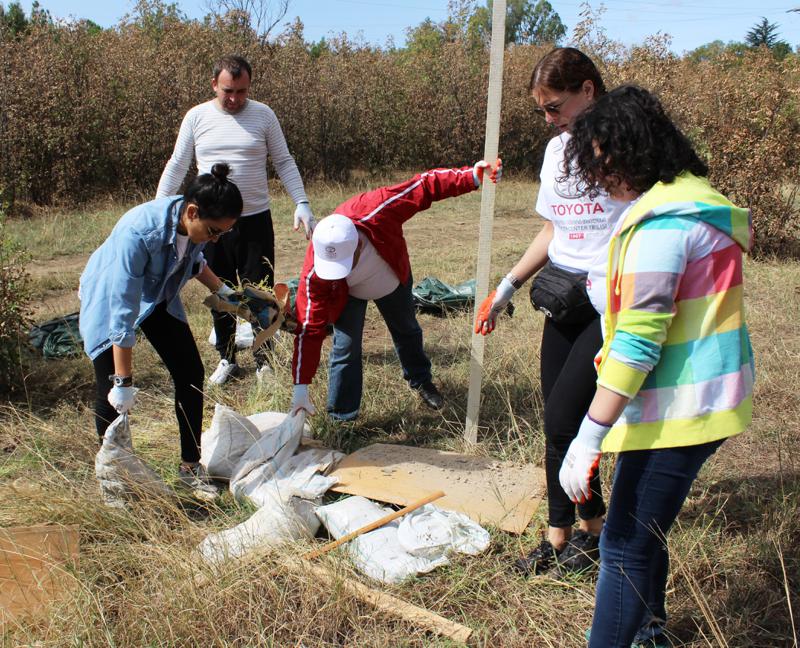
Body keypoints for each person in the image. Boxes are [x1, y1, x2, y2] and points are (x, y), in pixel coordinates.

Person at [558, 85, 753, 648]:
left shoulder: (662, 227)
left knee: (621, 540)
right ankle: (648, 628)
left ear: (626, 151)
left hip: (681, 403)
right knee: (647, 525)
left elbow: (636, 348)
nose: (600, 179)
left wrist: (589, 435)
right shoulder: (696, 199)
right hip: (708, 394)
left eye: (601, 163)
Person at [475, 48, 630, 576]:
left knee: (566, 419)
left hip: (605, 303)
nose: (550, 118)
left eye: (555, 106)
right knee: (556, 426)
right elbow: (553, 231)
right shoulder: (556, 151)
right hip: (560, 297)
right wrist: (507, 285)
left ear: (589, 90)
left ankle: (587, 537)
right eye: (542, 109)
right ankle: (566, 539)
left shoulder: (625, 148)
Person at [80, 163, 244, 501]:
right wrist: (124, 382)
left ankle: (189, 468)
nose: (216, 239)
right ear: (193, 211)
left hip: (155, 293)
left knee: (190, 371)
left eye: (222, 234)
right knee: (109, 389)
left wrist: (227, 294)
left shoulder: (195, 223)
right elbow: (122, 312)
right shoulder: (139, 232)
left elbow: (195, 261)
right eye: (214, 232)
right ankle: (115, 485)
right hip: (110, 294)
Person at [290, 160, 501, 421]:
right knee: (346, 348)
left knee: (407, 330)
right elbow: (309, 327)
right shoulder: (317, 270)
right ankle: (343, 415)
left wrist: (471, 176)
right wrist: (300, 386)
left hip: (391, 278)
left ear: (357, 245)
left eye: (345, 264)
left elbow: (423, 186)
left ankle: (421, 381)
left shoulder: (376, 209)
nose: (339, 270)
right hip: (348, 295)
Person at [156, 54, 314, 385]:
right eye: (228, 91)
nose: (234, 99)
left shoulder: (264, 115)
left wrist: (301, 201)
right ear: (214, 84)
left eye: (242, 92)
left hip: (254, 220)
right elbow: (177, 163)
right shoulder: (196, 117)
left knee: (260, 292)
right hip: (210, 225)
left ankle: (264, 361)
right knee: (221, 292)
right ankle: (227, 358)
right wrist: (159, 208)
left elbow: (284, 160)